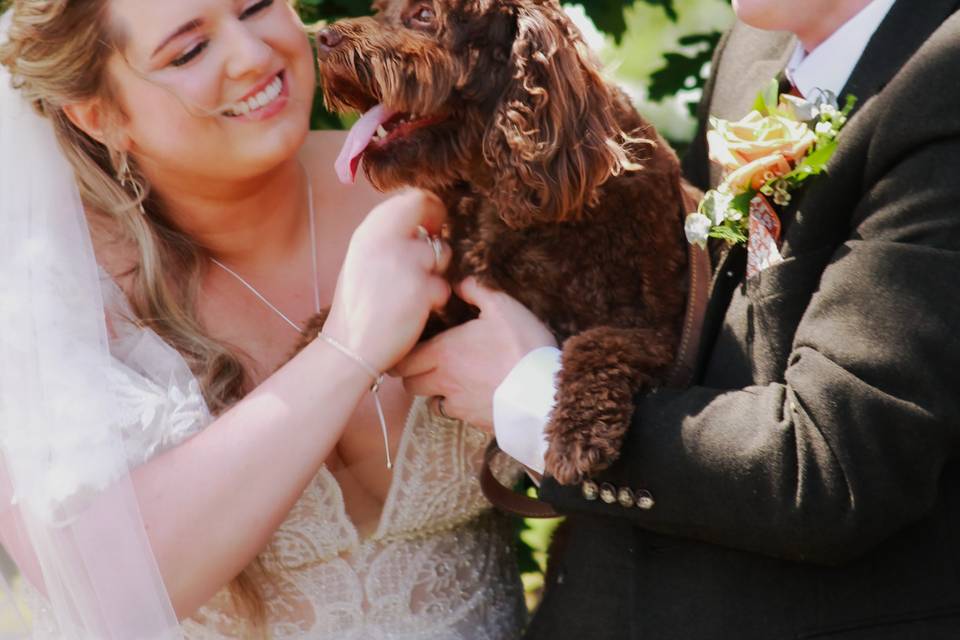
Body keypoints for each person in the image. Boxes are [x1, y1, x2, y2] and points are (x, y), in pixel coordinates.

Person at [397, 0, 960, 637]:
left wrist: (528, 391)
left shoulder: (942, 77)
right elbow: (690, 315)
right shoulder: (752, 46)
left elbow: (832, 466)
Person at [0, 0, 525, 638]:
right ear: (101, 114)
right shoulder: (45, 295)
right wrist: (347, 347)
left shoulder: (444, 185)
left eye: (255, 7)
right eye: (188, 51)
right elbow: (103, 595)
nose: (253, 55)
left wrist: (536, 385)